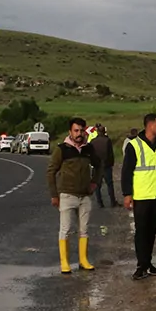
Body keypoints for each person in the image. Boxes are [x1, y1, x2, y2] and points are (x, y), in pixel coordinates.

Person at [121, 113, 156, 281]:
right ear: (149, 125)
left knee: (152, 232)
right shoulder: (134, 146)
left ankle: (148, 264)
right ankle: (141, 266)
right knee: (141, 232)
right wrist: (127, 194)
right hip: (141, 196)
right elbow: (126, 171)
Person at [46, 117, 101, 274]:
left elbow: (99, 165)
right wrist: (54, 194)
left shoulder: (88, 149)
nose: (79, 134)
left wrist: (94, 182)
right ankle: (65, 262)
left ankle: (83, 260)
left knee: (84, 229)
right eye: (76, 130)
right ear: (70, 131)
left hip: (85, 195)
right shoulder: (62, 149)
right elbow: (51, 171)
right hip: (67, 195)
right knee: (66, 229)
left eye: (82, 130)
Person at [88, 124, 118, 208]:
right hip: (106, 165)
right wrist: (111, 163)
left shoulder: (93, 141)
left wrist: (92, 163)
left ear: (97, 132)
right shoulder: (107, 140)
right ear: (104, 131)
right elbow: (110, 154)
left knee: (97, 185)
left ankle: (100, 202)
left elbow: (90, 154)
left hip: (97, 166)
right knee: (109, 184)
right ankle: (112, 202)